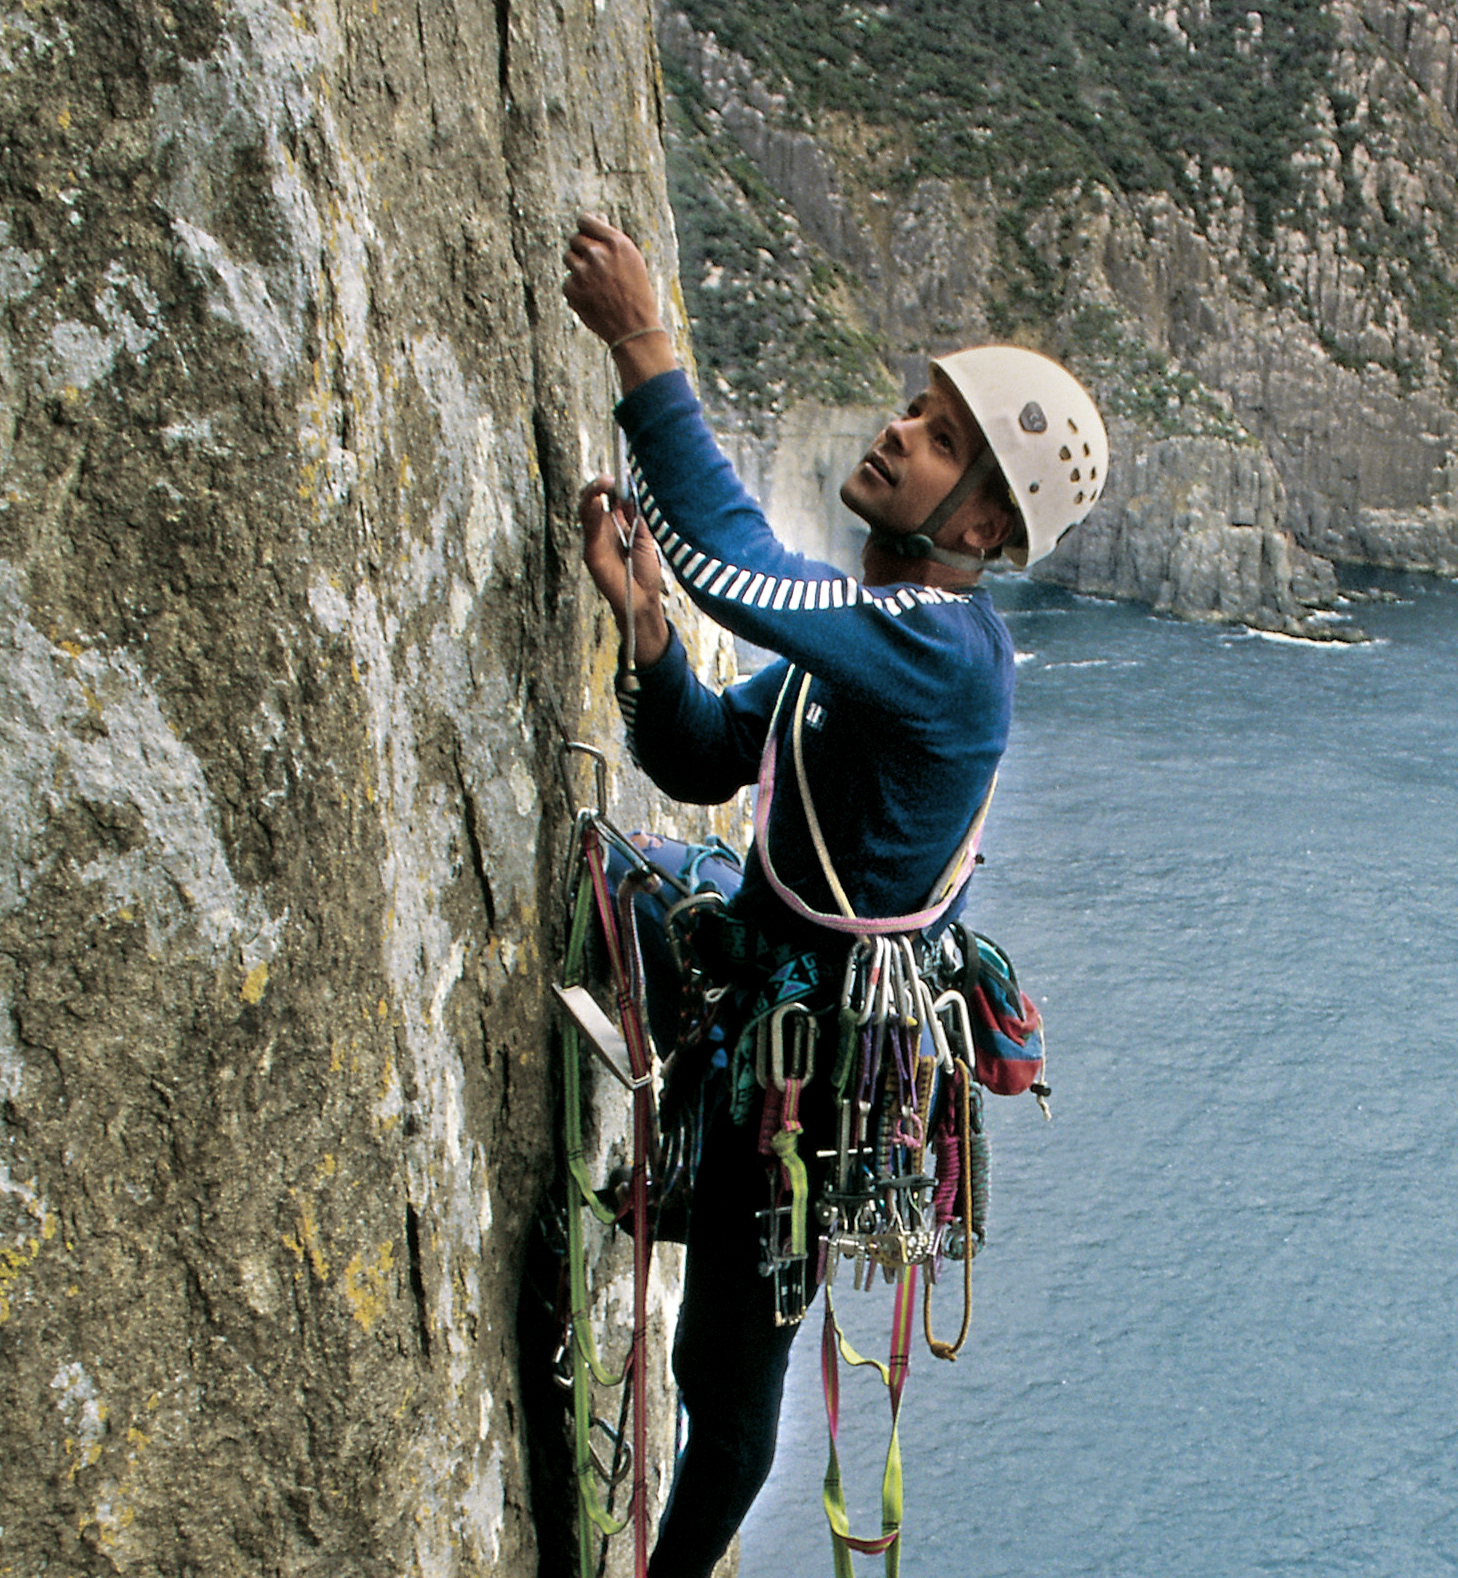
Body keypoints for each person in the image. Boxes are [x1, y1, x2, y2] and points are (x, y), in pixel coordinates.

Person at [559, 212, 1107, 1578]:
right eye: (910, 406)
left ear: (979, 520)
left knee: (726, 1373)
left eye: (930, 433)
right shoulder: (874, 644)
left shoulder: (943, 656)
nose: (893, 430)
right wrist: (641, 628)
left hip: (807, 1066)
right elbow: (695, 753)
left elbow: (737, 570)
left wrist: (643, 344)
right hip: (770, 997)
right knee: (717, 1351)